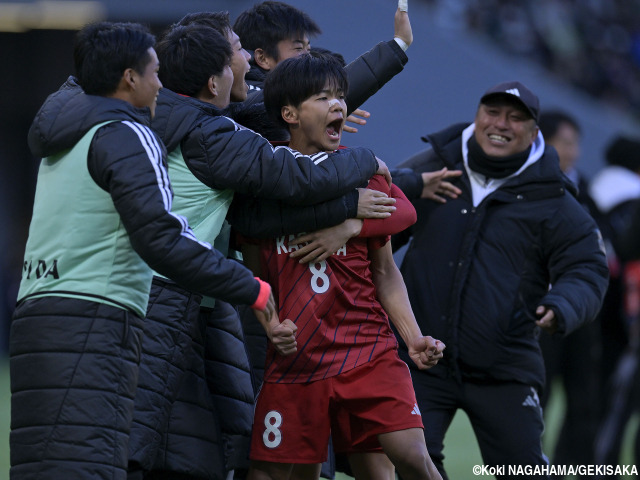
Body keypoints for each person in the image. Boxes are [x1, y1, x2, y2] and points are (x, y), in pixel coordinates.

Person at [10, 21, 279, 480]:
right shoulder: (128, 134)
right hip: (96, 317)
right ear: (129, 79)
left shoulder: (66, 136)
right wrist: (249, 287)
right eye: (154, 72)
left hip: (36, 314)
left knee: (48, 464)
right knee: (93, 465)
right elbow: (160, 236)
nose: (162, 84)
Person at [126, 21, 394, 480]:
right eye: (237, 51)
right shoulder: (212, 135)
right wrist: (364, 169)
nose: (247, 61)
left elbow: (254, 213)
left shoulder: (172, 122)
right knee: (144, 437)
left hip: (201, 300)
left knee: (214, 438)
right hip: (172, 294)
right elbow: (299, 177)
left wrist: (347, 220)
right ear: (214, 81)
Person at [242, 51, 445, 480]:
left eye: (340, 97)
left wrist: (412, 338)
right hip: (298, 359)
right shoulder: (263, 181)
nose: (338, 105)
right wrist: (270, 323)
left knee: (409, 457)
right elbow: (259, 274)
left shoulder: (363, 173)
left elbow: (386, 272)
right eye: (322, 97)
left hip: (366, 349)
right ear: (289, 113)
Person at [392, 81, 609, 479]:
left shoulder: (553, 196)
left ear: (533, 132)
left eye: (515, 118)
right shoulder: (434, 167)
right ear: (477, 117)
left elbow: (587, 267)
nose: (501, 124)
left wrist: (563, 304)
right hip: (421, 358)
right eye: (492, 113)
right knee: (407, 461)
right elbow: (380, 225)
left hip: (505, 366)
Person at [230, 0, 413, 140]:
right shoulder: (247, 98)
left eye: (308, 49)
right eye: (298, 48)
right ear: (263, 58)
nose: (307, 56)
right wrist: (398, 44)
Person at [536, 110, 602, 472]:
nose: (573, 152)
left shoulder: (589, 193)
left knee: (585, 404)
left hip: (581, 316)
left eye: (576, 144)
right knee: (536, 402)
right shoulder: (528, 191)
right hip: (541, 312)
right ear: (543, 142)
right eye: (566, 143)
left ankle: (575, 469)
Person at [588, 135, 640, 471]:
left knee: (604, 402)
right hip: (627, 321)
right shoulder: (633, 197)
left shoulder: (592, 190)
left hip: (595, 310)